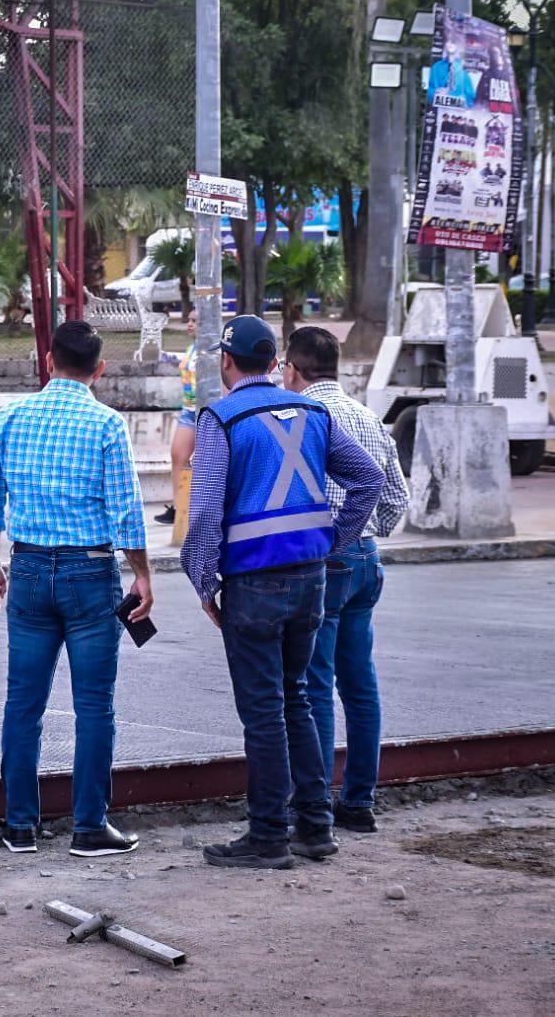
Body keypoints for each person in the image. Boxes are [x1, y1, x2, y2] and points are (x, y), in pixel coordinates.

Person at [180, 315, 384, 870]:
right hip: (311, 579)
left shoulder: (222, 418)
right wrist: (334, 542)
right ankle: (315, 827)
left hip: (255, 585)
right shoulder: (315, 413)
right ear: (274, 363)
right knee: (296, 697)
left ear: (227, 361)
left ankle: (269, 834)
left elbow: (202, 512)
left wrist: (203, 582)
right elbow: (369, 479)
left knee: (264, 711)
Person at [0, 320, 153, 859]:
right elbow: (126, 512)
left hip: (27, 571)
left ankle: (20, 827)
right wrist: (142, 574)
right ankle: (89, 827)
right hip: (89, 574)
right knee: (94, 707)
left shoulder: (9, 419)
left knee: (23, 704)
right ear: (100, 370)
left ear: (48, 360)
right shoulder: (106, 425)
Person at [282, 326, 409, 834]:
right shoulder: (369, 418)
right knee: (360, 684)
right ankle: (359, 801)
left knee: (314, 685)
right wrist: (364, 535)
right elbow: (396, 498)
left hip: (325, 561)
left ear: (292, 369)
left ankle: (313, 806)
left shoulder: (305, 419)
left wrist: (331, 541)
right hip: (366, 562)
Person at [155, 314, 200, 526]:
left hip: (207, 411)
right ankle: (180, 506)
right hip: (189, 409)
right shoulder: (193, 348)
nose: (189, 324)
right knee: (178, 454)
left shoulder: (213, 350)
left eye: (195, 321)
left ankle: (198, 507)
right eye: (189, 320)